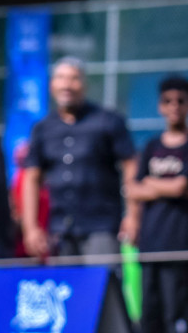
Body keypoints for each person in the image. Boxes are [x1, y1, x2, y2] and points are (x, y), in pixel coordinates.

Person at [21, 58, 136, 261]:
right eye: (61, 78)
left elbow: (131, 165)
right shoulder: (42, 128)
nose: (67, 85)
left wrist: (133, 215)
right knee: (67, 290)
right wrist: (30, 227)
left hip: (101, 226)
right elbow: (31, 178)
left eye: (74, 78)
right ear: (51, 85)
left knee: (104, 288)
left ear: (84, 84)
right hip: (59, 230)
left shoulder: (107, 121)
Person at [126, 75, 188, 333]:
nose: (174, 107)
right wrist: (135, 215)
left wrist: (154, 185)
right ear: (160, 106)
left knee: (175, 308)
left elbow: (181, 186)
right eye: (168, 101)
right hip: (150, 241)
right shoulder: (151, 146)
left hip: (179, 243)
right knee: (149, 308)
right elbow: (133, 188)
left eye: (180, 100)